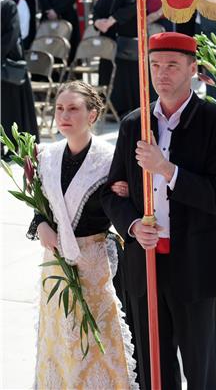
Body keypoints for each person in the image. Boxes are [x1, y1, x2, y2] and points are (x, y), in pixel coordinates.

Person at [101, 31, 216, 390]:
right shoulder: (134, 123)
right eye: (156, 65)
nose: (162, 74)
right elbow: (112, 194)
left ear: (193, 69)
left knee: (199, 366)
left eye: (173, 66)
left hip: (193, 261)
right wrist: (131, 224)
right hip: (144, 262)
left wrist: (166, 169)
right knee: (152, 368)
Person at [30, 81, 137, 388]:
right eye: (59, 109)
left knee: (96, 338)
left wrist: (125, 195)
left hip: (93, 262)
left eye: (73, 108)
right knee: (59, 338)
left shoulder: (110, 159)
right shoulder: (46, 156)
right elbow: (40, 207)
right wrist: (41, 226)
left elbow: (123, 210)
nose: (64, 115)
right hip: (54, 264)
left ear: (92, 115)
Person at [93, 0, 141, 117]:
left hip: (123, 39)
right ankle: (109, 106)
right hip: (109, 39)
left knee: (123, 75)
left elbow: (132, 5)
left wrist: (112, 20)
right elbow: (99, 9)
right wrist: (98, 22)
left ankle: (123, 108)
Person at [1, 0, 37, 143]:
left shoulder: (8, 6)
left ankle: (11, 144)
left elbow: (12, 34)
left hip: (8, 63)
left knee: (10, 109)